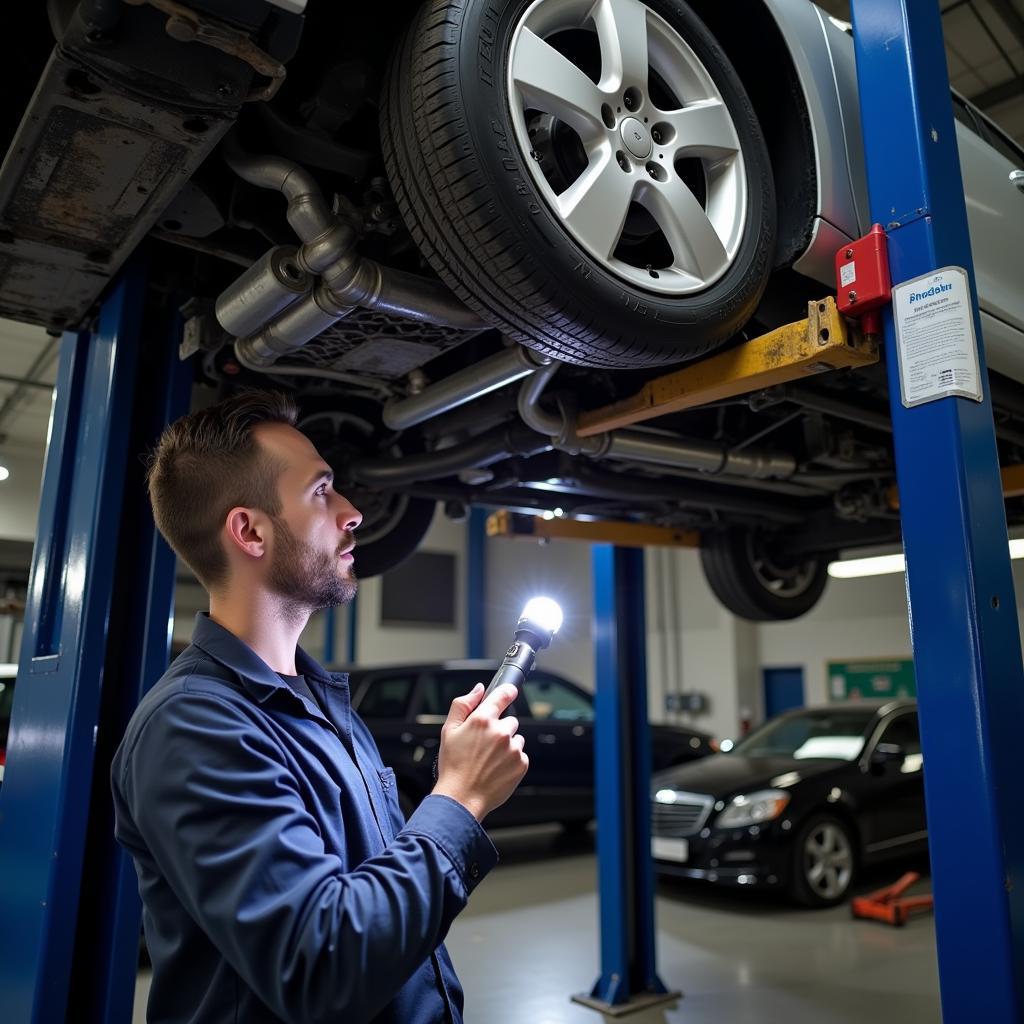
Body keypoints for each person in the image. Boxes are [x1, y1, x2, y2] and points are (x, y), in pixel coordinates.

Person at [111, 389, 528, 1024]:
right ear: (249, 530)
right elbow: (321, 966)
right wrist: (459, 798)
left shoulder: (321, 702)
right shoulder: (193, 725)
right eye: (321, 493)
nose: (354, 512)